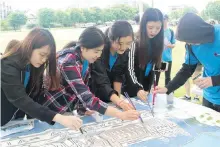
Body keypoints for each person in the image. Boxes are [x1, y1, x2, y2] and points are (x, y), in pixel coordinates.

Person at [41, 27, 140, 125]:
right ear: (83, 47)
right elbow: (86, 97)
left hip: (65, 111)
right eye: (96, 51)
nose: (99, 55)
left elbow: (80, 88)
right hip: (50, 111)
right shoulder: (69, 63)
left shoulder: (85, 59)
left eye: (101, 51)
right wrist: (120, 115)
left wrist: (82, 109)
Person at [1, 28, 81, 130]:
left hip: (16, 121)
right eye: (42, 55)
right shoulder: (7, 65)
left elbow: (34, 96)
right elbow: (20, 99)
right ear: (30, 46)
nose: (43, 60)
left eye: (47, 57)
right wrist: (59, 118)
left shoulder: (34, 65)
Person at [155, 13, 220, 112]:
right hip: (209, 96)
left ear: (199, 32)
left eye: (190, 40)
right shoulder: (191, 46)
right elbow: (187, 70)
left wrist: (214, 80)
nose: (189, 44)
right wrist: (168, 88)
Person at [115, 8, 164, 101]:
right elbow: (129, 69)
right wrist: (137, 88)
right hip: (131, 90)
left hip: (146, 90)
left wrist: (153, 85)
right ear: (143, 25)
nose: (154, 31)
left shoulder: (157, 43)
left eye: (158, 28)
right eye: (150, 27)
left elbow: (154, 67)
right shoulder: (134, 42)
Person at [89, 20, 134, 111]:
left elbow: (118, 76)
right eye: (120, 43)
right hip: (94, 94)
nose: (124, 48)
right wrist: (119, 101)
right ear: (111, 39)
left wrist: (118, 99)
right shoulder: (99, 51)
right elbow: (102, 81)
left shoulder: (125, 52)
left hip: (111, 97)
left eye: (128, 43)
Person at [155, 14, 175, 86]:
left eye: (164, 19)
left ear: (167, 20)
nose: (163, 21)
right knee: (156, 77)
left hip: (168, 58)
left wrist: (170, 45)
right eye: (162, 19)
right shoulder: (157, 31)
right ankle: (154, 94)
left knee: (167, 78)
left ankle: (168, 94)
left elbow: (173, 44)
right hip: (158, 58)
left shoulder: (171, 31)